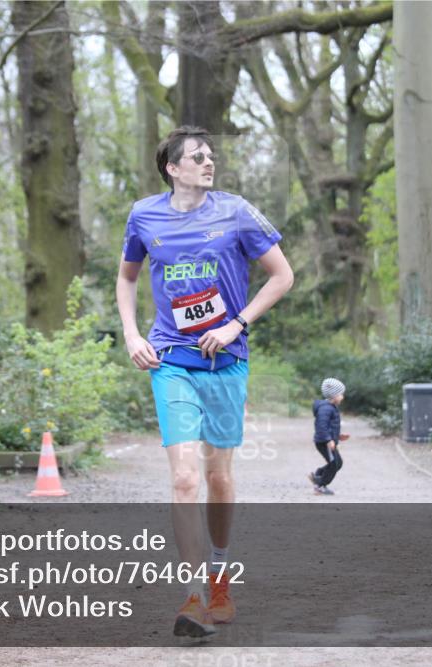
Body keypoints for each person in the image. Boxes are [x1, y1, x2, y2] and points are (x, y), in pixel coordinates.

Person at [116, 126, 294, 637]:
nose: (207, 163)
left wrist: (236, 322)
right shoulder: (143, 215)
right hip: (170, 358)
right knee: (185, 478)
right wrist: (132, 334)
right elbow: (128, 276)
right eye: (197, 157)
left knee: (217, 478)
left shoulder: (236, 211)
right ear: (173, 168)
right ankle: (193, 595)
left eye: (210, 156)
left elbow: (282, 275)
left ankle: (220, 576)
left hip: (225, 361)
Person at [308, 378, 349, 495]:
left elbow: (329, 426)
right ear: (334, 395)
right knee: (334, 464)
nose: (343, 397)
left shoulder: (330, 407)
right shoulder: (326, 408)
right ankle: (320, 485)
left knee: (337, 463)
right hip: (324, 442)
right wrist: (328, 440)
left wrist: (338, 436)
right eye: (341, 394)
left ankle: (318, 475)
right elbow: (322, 426)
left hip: (327, 440)